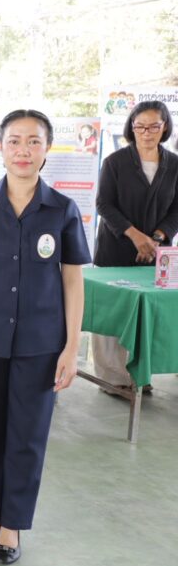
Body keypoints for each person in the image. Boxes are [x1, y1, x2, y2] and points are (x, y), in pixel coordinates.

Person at [0, 110, 90, 566]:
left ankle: (12, 523)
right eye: (14, 141)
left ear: (47, 149)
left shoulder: (62, 209)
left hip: (41, 343)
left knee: (27, 436)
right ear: (0, 147)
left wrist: (71, 348)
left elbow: (72, 280)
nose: (23, 151)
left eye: (34, 141)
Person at [91, 100, 178, 390]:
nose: (146, 132)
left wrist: (157, 238)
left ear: (164, 127)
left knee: (145, 314)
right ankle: (112, 378)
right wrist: (136, 236)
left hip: (155, 252)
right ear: (131, 127)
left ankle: (140, 375)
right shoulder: (114, 162)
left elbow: (176, 209)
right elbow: (104, 204)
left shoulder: (174, 164)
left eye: (154, 126)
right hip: (116, 247)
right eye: (140, 126)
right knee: (112, 312)